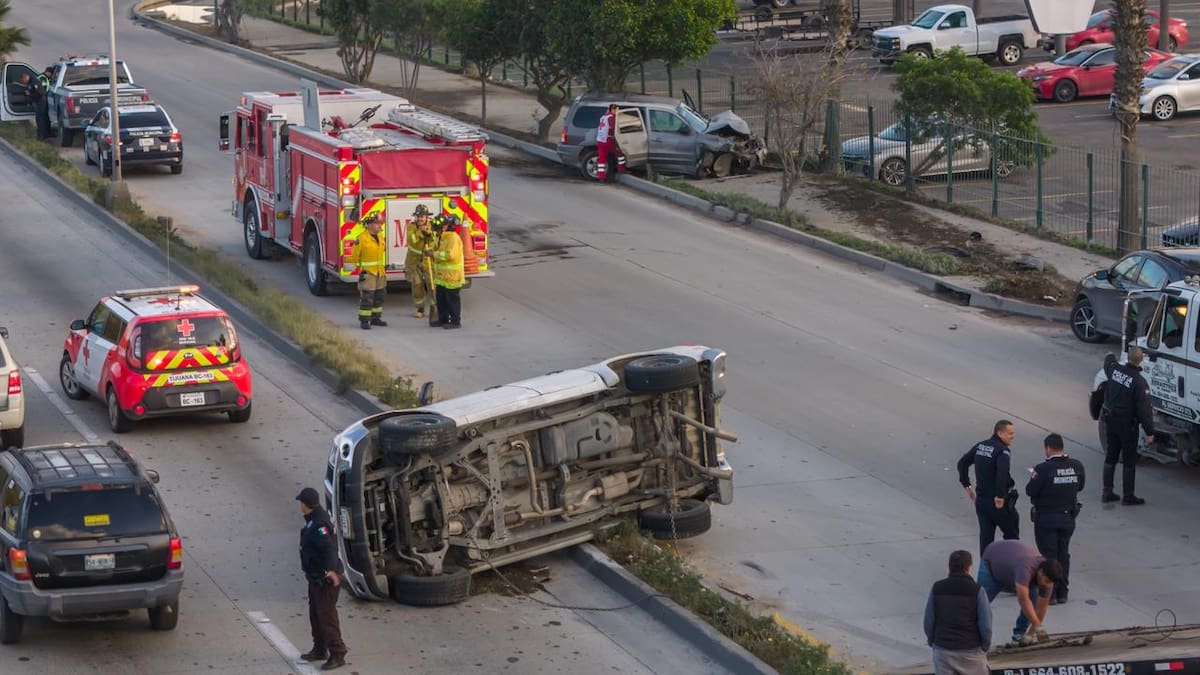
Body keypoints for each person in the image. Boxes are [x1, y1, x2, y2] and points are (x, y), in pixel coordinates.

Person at [1025, 433, 1085, 605]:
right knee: (1063, 554)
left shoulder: (1043, 469)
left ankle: (1049, 594)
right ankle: (1062, 592)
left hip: (1047, 518)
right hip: (1067, 518)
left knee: (1049, 556)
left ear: (1048, 448)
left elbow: (1031, 490)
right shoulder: (1077, 466)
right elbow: (1080, 486)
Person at [296, 487, 348, 671]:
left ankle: (337, 653)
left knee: (327, 617)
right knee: (316, 614)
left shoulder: (319, 525)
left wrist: (331, 571)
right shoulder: (313, 520)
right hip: (315, 578)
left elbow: (329, 549)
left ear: (305, 505)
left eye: (301, 502)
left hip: (324, 580)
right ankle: (319, 649)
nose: (299, 506)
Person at [978, 540, 1063, 646]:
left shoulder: (1048, 578)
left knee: (1033, 603)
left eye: (1050, 583)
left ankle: (1019, 636)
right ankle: (973, 639)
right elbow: (1023, 599)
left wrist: (1031, 634)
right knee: (979, 604)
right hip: (992, 564)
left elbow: (1041, 608)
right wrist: (1037, 625)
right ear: (1040, 572)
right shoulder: (1026, 568)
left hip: (1012, 569)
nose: (1047, 585)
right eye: (1046, 581)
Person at [923, 550, 991, 675]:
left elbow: (929, 620)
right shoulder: (977, 590)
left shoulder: (937, 588)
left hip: (943, 650)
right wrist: (984, 647)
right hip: (971, 651)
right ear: (969, 567)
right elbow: (985, 624)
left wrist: (933, 641)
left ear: (949, 567)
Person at [957, 420, 1019, 556]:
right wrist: (1000, 496)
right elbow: (1002, 473)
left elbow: (963, 463)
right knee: (1012, 538)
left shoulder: (981, 446)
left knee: (986, 540)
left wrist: (967, 485)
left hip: (982, 502)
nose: (1012, 436)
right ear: (1000, 433)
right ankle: (1009, 570)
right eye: (1010, 433)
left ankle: (985, 572)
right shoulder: (1003, 451)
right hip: (998, 504)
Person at [1101, 348, 1155, 505]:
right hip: (1127, 425)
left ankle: (1107, 492)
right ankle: (1128, 496)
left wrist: (1110, 353)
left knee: (1111, 456)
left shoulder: (1114, 369)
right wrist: (1150, 431)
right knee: (1129, 461)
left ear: (1128, 358)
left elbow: (1108, 359)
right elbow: (1144, 410)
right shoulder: (1139, 382)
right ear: (1141, 360)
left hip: (1110, 421)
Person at [429, 213, 465, 329]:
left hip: (452, 277)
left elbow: (450, 255)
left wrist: (434, 254)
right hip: (441, 277)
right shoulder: (441, 237)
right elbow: (435, 248)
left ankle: (455, 321)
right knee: (441, 300)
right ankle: (442, 319)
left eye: (437, 229)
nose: (436, 232)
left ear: (444, 227)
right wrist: (430, 250)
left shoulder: (453, 238)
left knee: (452, 301)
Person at [352, 213, 387, 330]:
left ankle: (376, 318)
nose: (380, 226)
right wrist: (361, 268)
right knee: (367, 297)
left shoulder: (381, 237)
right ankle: (365, 321)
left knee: (379, 296)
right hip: (368, 273)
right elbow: (355, 256)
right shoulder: (361, 239)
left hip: (380, 273)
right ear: (370, 225)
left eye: (381, 223)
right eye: (378, 223)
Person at [405, 204, 438, 320]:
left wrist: (429, 233)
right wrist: (420, 232)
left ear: (427, 217)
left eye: (422, 216)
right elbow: (412, 240)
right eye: (418, 216)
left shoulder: (433, 226)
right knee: (417, 285)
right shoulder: (411, 227)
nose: (420, 219)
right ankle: (420, 308)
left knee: (432, 284)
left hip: (429, 261)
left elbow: (436, 238)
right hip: (414, 262)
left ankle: (435, 307)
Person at [17, 73, 50, 141]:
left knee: (40, 119)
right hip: (37, 102)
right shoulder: (30, 82)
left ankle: (41, 136)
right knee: (40, 119)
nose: (23, 82)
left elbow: (40, 93)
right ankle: (43, 135)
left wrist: (30, 94)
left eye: (23, 80)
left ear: (25, 77)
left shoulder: (34, 82)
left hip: (41, 102)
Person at [594, 103, 618, 182]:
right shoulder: (611, 117)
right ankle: (621, 169)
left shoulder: (603, 117)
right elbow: (614, 128)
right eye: (616, 110)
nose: (617, 111)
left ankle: (601, 177)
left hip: (600, 140)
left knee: (602, 159)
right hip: (608, 140)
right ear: (613, 110)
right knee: (619, 153)